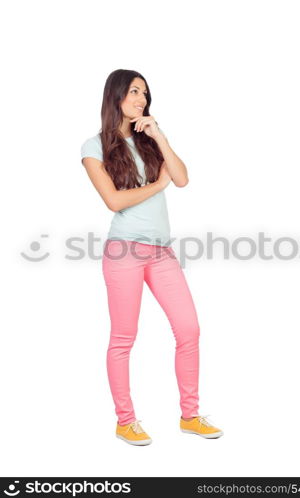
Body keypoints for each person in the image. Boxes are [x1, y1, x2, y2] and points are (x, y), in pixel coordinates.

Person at [80, 69, 223, 446]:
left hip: (162, 253)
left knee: (189, 330)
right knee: (124, 338)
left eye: (145, 93)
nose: (141, 99)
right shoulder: (94, 147)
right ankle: (125, 421)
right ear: (115, 97)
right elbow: (113, 200)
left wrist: (159, 135)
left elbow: (183, 178)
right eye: (133, 91)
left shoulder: (149, 141)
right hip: (123, 251)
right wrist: (158, 185)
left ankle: (190, 416)